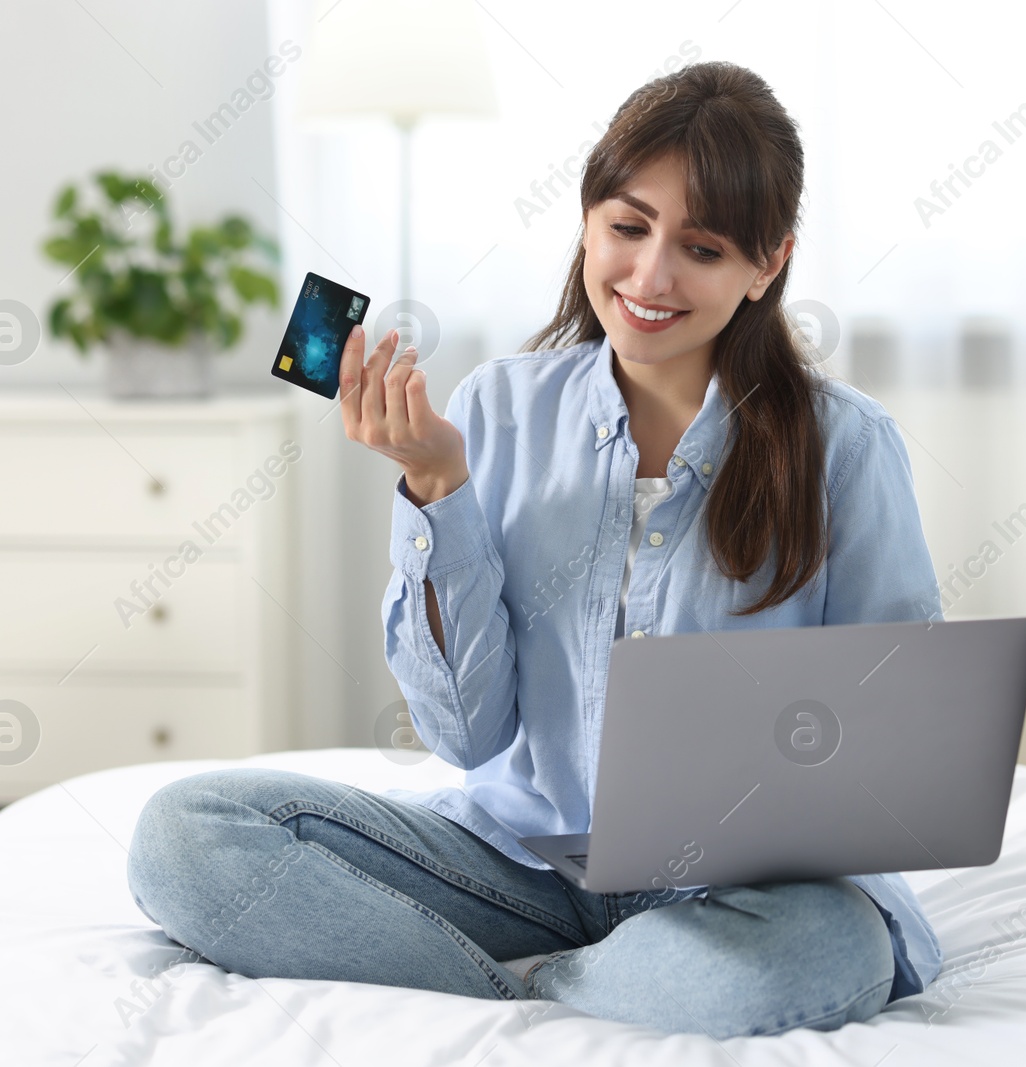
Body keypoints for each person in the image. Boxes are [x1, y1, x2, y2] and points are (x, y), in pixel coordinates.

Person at [126, 60, 945, 1039]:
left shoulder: (845, 445)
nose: (649, 277)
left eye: (703, 246)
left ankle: (526, 996)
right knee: (185, 836)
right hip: (517, 863)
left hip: (736, 892)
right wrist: (437, 486)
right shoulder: (493, 411)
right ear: (589, 220)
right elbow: (465, 735)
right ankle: (582, 989)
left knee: (835, 949)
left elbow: (892, 743)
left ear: (767, 264)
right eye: (627, 227)